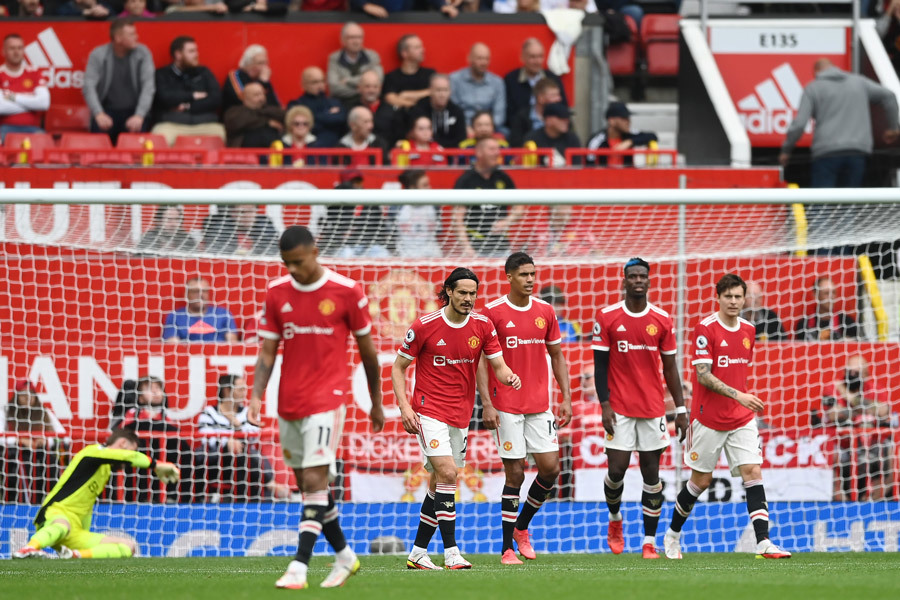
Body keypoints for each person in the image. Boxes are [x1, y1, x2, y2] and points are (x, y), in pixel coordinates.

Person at [248, 225, 384, 589]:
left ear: (315, 251)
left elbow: (368, 354)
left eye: (298, 261)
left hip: (328, 398)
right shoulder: (276, 294)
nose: (292, 269)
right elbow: (267, 352)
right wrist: (256, 396)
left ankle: (299, 567)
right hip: (288, 401)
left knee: (312, 480)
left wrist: (376, 402)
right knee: (310, 488)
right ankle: (345, 556)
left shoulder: (346, 292)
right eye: (286, 263)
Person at [393, 267, 521, 571]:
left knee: (439, 484)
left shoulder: (483, 326)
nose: (468, 298)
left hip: (460, 413)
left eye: (472, 293)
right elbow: (398, 368)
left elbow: (498, 366)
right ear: (448, 291)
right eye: (462, 292)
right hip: (428, 410)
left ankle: (417, 553)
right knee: (449, 474)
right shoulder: (424, 326)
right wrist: (404, 408)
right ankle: (452, 552)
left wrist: (509, 377)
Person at [662, 273, 791, 560]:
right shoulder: (705, 329)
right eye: (728, 296)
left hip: (741, 418)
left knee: (753, 472)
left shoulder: (748, 329)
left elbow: (738, 371)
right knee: (700, 481)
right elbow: (703, 376)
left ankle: (764, 543)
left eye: (738, 296)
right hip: (708, 418)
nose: (733, 301)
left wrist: (740, 401)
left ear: (745, 299)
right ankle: (672, 535)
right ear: (718, 298)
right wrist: (740, 395)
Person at [478, 253, 572, 564]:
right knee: (515, 473)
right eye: (523, 274)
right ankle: (506, 549)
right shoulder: (492, 312)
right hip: (505, 405)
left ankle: (521, 528)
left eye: (533, 274)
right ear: (508, 277)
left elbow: (557, 355)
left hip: (539, 404)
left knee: (550, 468)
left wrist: (566, 397)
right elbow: (481, 361)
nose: (530, 279)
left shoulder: (545, 311)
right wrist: (487, 403)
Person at [591, 257, 688, 559]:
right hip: (618, 407)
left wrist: (681, 409)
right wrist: (604, 404)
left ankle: (649, 542)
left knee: (652, 476)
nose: (637, 281)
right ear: (624, 280)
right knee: (616, 470)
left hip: (652, 410)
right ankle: (615, 519)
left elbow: (670, 368)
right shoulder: (607, 317)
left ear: (648, 280)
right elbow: (599, 366)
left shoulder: (661, 319)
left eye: (642, 276)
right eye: (632, 276)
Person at [12, 428, 179, 560]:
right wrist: (156, 465)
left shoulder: (105, 471)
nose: (126, 464)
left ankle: (74, 556)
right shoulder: (93, 451)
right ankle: (29, 548)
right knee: (62, 525)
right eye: (130, 450)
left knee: (128, 546)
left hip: (75, 530)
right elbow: (130, 457)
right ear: (122, 444)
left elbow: (86, 507)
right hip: (56, 513)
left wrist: (82, 538)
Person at [779, 58, 899, 187]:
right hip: (857, 151)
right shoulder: (859, 82)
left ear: (816, 72)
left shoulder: (813, 88)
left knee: (822, 202)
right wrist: (893, 128)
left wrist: (786, 150)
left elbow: (799, 124)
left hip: (826, 152)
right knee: (849, 202)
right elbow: (889, 96)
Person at [197, 374, 290, 501]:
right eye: (240, 389)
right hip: (217, 462)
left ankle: (252, 502)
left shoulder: (248, 412)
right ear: (227, 391)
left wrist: (234, 422)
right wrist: (227, 441)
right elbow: (206, 437)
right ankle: (269, 483)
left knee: (244, 453)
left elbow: (252, 436)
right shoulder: (209, 412)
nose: (245, 393)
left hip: (243, 459)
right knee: (239, 452)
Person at [819, 355, 894, 501]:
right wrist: (866, 407)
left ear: (865, 375)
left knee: (892, 453)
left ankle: (874, 503)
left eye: (856, 372)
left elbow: (884, 410)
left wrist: (849, 397)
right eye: (849, 371)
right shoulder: (833, 387)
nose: (851, 375)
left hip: (872, 443)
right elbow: (834, 414)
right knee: (830, 454)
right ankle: (842, 506)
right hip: (842, 443)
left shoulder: (875, 389)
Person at [83, 18, 155, 144]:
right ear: (118, 38)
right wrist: (98, 113)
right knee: (96, 148)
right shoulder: (98, 54)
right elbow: (88, 86)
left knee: (137, 149)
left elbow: (148, 87)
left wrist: (139, 115)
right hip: (106, 112)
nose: (136, 37)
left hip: (134, 111)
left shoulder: (143, 53)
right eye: (131, 34)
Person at [452, 138, 522, 256]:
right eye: (492, 149)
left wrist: (506, 222)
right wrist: (469, 250)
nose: (497, 153)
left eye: (498, 149)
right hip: (476, 249)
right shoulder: (465, 180)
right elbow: (457, 219)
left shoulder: (503, 178)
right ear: (479, 152)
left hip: (502, 248)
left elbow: (519, 208)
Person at [151, 36, 225, 146]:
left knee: (220, 133)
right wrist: (193, 95)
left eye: (196, 50)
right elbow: (164, 98)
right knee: (157, 138)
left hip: (205, 124)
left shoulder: (204, 72)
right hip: (172, 124)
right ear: (178, 54)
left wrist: (187, 107)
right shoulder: (162, 74)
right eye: (191, 51)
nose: (196, 54)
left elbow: (216, 99)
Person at [503, 38, 568, 129]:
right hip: (519, 130)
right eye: (532, 57)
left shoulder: (553, 78)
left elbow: (563, 107)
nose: (537, 61)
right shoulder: (511, 80)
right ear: (522, 57)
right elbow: (508, 112)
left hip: (551, 130)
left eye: (540, 56)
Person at [0, 33, 50, 143]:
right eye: (12, 48)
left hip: (33, 130)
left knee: (45, 142)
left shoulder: (34, 73)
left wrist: (12, 97)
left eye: (20, 48)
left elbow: (44, 103)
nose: (16, 52)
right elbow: (0, 106)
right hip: (4, 130)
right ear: (3, 51)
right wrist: (32, 103)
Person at [162, 277, 239, 343]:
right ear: (187, 294)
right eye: (195, 291)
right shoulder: (175, 316)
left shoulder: (223, 314)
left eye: (204, 291)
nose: (200, 295)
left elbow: (232, 345)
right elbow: (173, 346)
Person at [450, 42, 506, 131]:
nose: (484, 62)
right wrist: (466, 127)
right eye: (479, 58)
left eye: (486, 59)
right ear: (469, 59)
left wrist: (486, 128)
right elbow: (452, 110)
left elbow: (499, 115)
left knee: (506, 133)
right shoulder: (455, 80)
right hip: (463, 127)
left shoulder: (497, 82)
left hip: (490, 128)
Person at [327, 22, 383, 107]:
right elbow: (334, 88)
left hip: (369, 104)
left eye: (359, 37)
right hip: (343, 103)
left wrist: (348, 81)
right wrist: (364, 89)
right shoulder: (334, 58)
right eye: (351, 37)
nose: (356, 41)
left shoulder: (372, 56)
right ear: (342, 40)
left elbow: (377, 81)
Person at [287, 67, 346, 148]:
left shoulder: (334, 102)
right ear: (304, 84)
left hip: (334, 151)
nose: (320, 85)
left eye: (322, 81)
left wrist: (314, 116)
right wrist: (328, 115)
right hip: (309, 152)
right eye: (315, 82)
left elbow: (341, 119)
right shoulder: (297, 104)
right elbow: (310, 126)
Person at [586, 102, 658, 167]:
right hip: (605, 179)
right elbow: (589, 164)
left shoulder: (629, 135)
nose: (628, 121)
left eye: (628, 118)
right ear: (611, 121)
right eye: (624, 118)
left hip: (628, 178)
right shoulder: (597, 140)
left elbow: (652, 136)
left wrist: (629, 142)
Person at [410, 74, 466, 149]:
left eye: (445, 90)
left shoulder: (457, 112)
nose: (442, 94)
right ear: (430, 90)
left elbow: (461, 139)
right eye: (438, 90)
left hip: (450, 154)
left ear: (450, 92)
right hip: (425, 153)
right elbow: (412, 136)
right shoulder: (419, 109)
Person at [382, 35, 435, 113]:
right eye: (417, 47)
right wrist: (416, 105)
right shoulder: (391, 77)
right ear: (404, 53)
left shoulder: (430, 74)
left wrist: (406, 95)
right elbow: (390, 99)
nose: (423, 50)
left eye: (421, 47)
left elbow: (437, 91)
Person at [394, 169, 441, 258]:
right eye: (425, 185)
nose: (429, 188)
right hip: (404, 256)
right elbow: (391, 231)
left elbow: (439, 230)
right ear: (412, 187)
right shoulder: (397, 206)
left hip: (432, 256)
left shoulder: (434, 205)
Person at [795, 276, 858, 341]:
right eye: (826, 293)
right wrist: (819, 337)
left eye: (833, 292)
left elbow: (858, 342)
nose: (831, 297)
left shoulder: (846, 321)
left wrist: (839, 339)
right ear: (815, 295)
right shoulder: (804, 324)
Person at [201, 203, 280, 255]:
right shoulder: (220, 230)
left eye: (251, 211)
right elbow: (215, 252)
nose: (247, 216)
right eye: (242, 212)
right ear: (232, 213)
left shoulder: (266, 229)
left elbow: (273, 251)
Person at [223, 81, 284, 148]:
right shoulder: (234, 112)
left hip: (273, 150)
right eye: (256, 95)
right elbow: (238, 122)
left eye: (263, 94)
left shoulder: (270, 109)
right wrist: (267, 122)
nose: (261, 98)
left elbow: (284, 115)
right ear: (245, 97)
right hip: (244, 151)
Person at [221, 44, 280, 113]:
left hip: (261, 115)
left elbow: (275, 105)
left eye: (266, 63)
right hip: (239, 116)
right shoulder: (235, 75)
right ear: (249, 65)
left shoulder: (263, 80)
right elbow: (245, 100)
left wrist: (265, 83)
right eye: (260, 63)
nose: (265, 67)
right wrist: (262, 82)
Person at [522, 101, 581, 167]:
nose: (566, 121)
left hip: (567, 177)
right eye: (561, 118)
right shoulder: (532, 138)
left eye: (567, 117)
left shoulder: (572, 139)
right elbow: (527, 167)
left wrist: (563, 166)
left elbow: (577, 167)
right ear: (548, 120)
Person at [508, 78, 562, 148]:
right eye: (553, 95)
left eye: (558, 95)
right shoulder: (521, 117)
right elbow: (516, 144)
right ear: (540, 98)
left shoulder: (563, 116)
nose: (558, 99)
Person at [352, 69, 397, 143]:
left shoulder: (391, 110)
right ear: (359, 88)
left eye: (375, 87)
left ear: (380, 88)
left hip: (385, 152)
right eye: (367, 86)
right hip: (359, 152)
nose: (371, 90)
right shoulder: (352, 109)